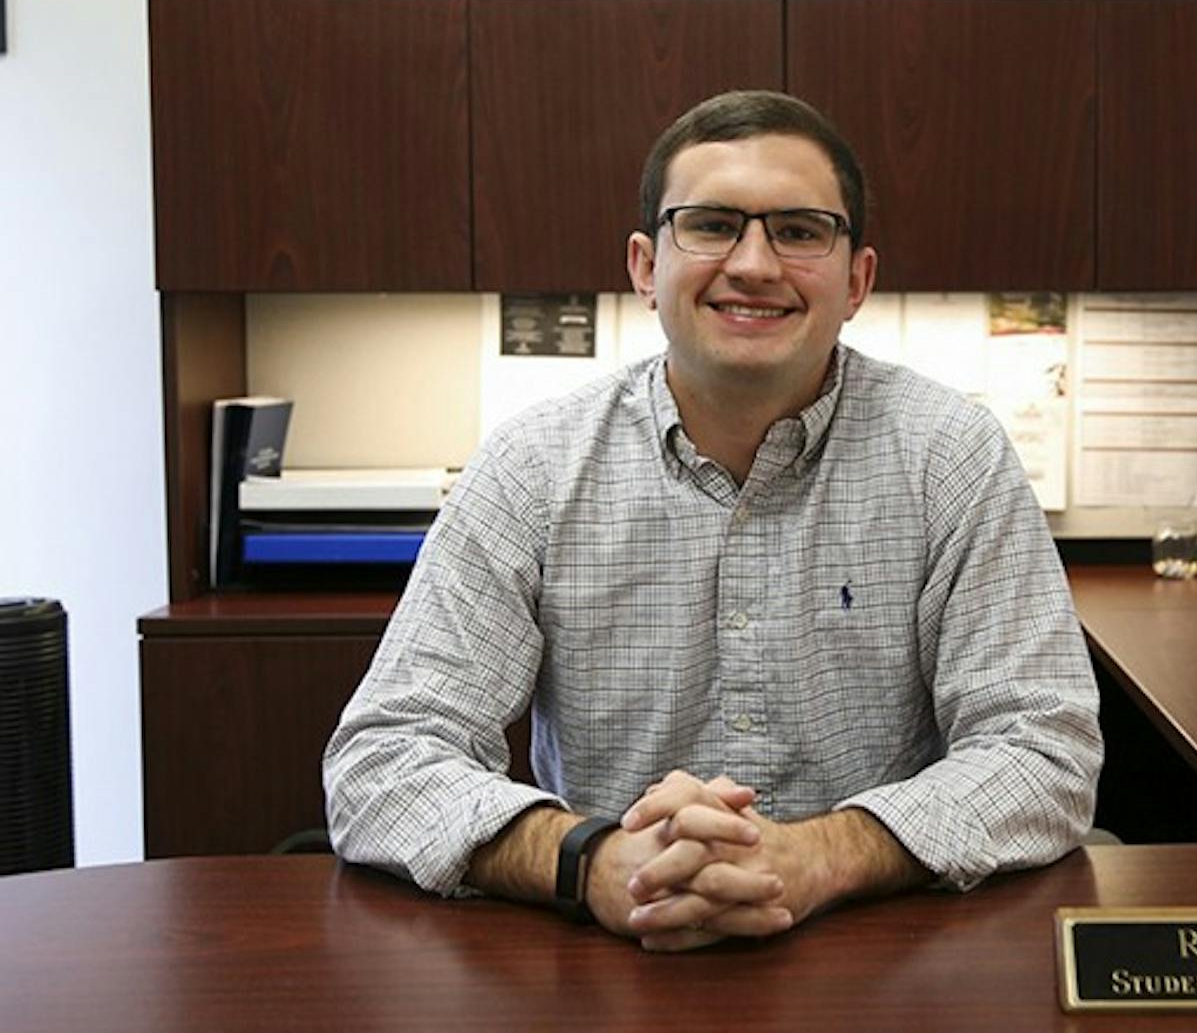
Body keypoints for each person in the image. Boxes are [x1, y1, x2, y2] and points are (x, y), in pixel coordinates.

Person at [324, 90, 1102, 952]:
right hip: (609, 956)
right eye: (712, 224)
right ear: (644, 265)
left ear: (858, 280)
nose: (756, 263)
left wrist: (817, 856)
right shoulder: (534, 467)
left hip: (876, 957)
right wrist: (593, 860)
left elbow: (1044, 750)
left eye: (800, 230)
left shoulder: (950, 457)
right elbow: (382, 761)